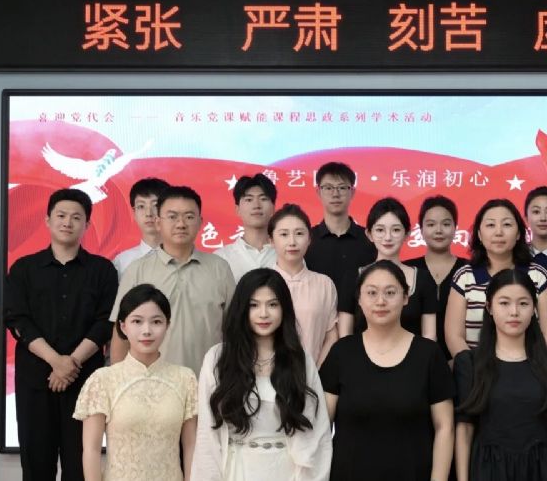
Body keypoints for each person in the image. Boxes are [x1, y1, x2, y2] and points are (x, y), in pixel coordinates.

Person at [4, 188, 118, 481]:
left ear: (87, 224)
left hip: (85, 383)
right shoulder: (24, 269)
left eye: (76, 217)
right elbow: (17, 319)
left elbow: (105, 322)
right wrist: (57, 361)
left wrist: (72, 362)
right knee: (36, 465)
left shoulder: (103, 270)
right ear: (48, 220)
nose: (68, 222)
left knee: (80, 465)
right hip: (35, 381)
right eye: (61, 215)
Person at [192, 268, 332, 481]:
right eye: (254, 305)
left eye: (273, 304)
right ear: (241, 309)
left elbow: (318, 433)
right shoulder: (218, 358)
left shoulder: (299, 359)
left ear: (284, 308)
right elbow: (207, 435)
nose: (264, 314)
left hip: (287, 471)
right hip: (236, 470)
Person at [320, 260, 454, 481]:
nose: (380, 301)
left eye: (390, 292)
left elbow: (445, 427)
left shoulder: (429, 354)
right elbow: (322, 426)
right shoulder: (341, 353)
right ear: (359, 299)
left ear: (406, 297)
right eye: (371, 293)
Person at [454, 269, 547, 481]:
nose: (514, 312)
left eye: (523, 303)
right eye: (504, 303)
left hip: (540, 469)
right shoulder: (469, 364)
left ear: (534, 308)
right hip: (488, 470)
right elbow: (464, 429)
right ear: (489, 307)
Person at [74, 284, 198, 481]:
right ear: (123, 326)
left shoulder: (185, 379)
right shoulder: (103, 380)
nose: (146, 331)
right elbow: (91, 450)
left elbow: (191, 447)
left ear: (167, 325)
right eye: (137, 321)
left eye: (156, 322)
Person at [109, 186, 235, 374]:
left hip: (208, 381)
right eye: (172, 216)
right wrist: (118, 381)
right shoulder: (137, 270)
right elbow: (121, 335)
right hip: (150, 382)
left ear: (200, 222)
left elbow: (234, 329)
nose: (181, 224)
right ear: (158, 222)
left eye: (189, 217)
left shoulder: (220, 268)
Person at [445, 199, 547, 356]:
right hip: (475, 368)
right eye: (490, 225)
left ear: (518, 233)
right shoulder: (464, 277)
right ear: (479, 234)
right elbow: (454, 337)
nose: (498, 232)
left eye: (506, 224)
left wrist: (530, 366)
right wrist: (471, 366)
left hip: (531, 367)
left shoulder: (538, 276)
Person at [337, 197, 437, 339]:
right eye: (380, 230)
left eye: (396, 230)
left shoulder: (423, 279)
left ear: (407, 234)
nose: (388, 237)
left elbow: (430, 336)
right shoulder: (352, 278)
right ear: (369, 234)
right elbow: (345, 336)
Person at [269, 204, 339, 366]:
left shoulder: (324, 284)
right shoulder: (260, 283)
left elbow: (331, 336)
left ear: (309, 239)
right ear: (271, 240)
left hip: (314, 375)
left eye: (299, 233)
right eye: (284, 234)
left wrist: (315, 373)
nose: (292, 242)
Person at [405, 195, 467, 360]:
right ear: (421, 229)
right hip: (413, 361)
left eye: (446, 224)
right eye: (431, 224)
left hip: (463, 361)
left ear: (455, 227)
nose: (438, 230)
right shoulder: (406, 270)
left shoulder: (469, 270)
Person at [304, 161, 377, 294]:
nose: (335, 194)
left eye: (342, 187)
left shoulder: (370, 240)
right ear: (318, 192)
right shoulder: (306, 240)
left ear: (352, 192)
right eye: (328, 188)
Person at [215, 173, 278, 283]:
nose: (256, 205)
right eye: (249, 200)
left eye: (263, 199)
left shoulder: (286, 253)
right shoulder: (221, 257)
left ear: (273, 208)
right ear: (237, 209)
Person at [112, 177, 170, 278]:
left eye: (156, 205)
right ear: (134, 213)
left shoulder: (187, 259)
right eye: (141, 206)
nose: (148, 213)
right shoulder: (122, 263)